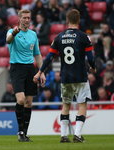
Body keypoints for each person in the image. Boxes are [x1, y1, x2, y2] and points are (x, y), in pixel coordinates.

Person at [33, 9, 96, 143]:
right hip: (80, 77)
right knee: (81, 105)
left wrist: (40, 71)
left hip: (65, 77)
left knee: (66, 105)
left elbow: (49, 57)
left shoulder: (59, 37)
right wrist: (93, 67)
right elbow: (90, 57)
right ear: (79, 21)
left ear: (67, 21)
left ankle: (63, 135)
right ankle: (77, 135)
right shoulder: (84, 36)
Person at [6, 9, 44, 142]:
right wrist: (14, 33)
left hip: (30, 69)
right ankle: (20, 130)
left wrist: (42, 71)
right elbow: (8, 39)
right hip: (16, 68)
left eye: (28, 18)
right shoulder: (12, 32)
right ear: (19, 19)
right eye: (24, 18)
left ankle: (25, 133)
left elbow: (37, 55)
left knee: (28, 102)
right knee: (21, 100)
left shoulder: (33, 34)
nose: (27, 20)